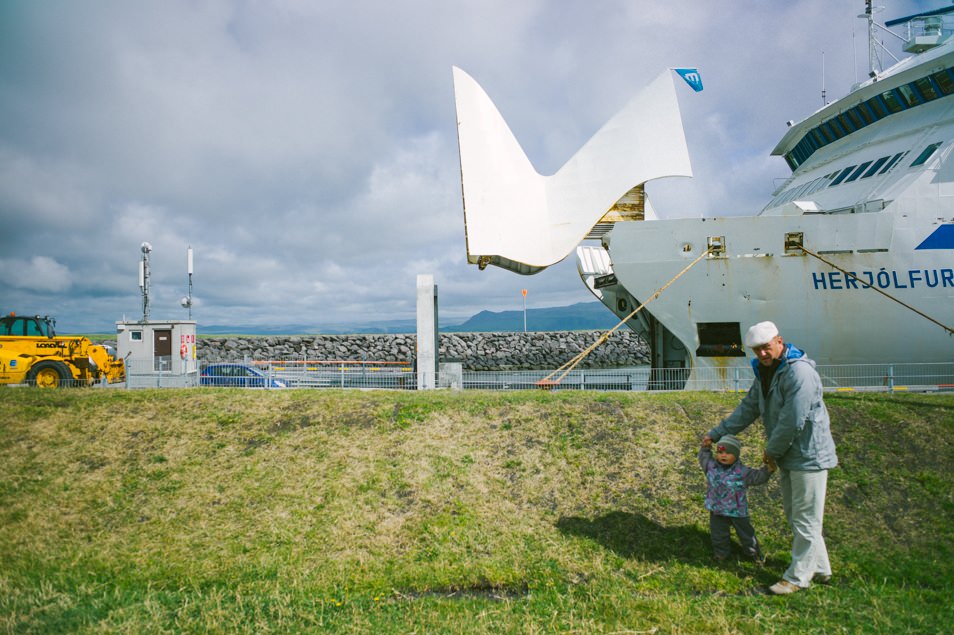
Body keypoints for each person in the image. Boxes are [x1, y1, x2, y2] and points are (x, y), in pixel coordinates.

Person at [704, 321, 838, 595]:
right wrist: (717, 434)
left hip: (808, 455)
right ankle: (821, 569)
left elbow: (792, 421)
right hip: (792, 455)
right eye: (757, 350)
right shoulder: (768, 372)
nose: (762, 354)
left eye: (766, 347)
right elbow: (749, 408)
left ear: (779, 341)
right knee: (798, 516)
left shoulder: (799, 374)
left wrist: (771, 452)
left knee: (805, 519)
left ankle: (797, 577)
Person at [699, 434, 775, 563]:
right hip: (717, 510)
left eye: (728, 453)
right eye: (720, 452)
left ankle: (753, 553)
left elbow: (758, 477)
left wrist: (768, 469)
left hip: (737, 512)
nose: (723, 455)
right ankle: (721, 554)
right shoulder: (711, 467)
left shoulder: (743, 472)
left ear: (737, 454)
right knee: (718, 534)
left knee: (746, 534)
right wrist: (705, 448)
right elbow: (704, 458)